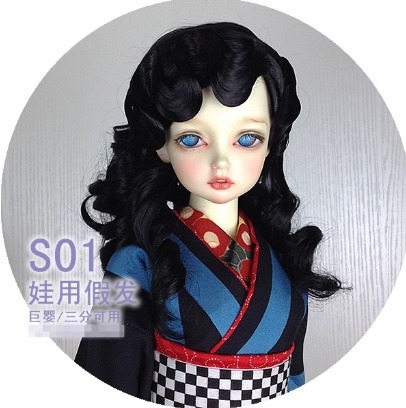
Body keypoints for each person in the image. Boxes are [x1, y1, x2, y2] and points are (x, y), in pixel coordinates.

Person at [75, 22, 342, 407]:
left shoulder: (285, 259)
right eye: (191, 139)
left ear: (271, 142)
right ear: (162, 146)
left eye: (247, 139)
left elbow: (296, 378)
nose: (221, 161)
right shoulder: (138, 263)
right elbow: (105, 378)